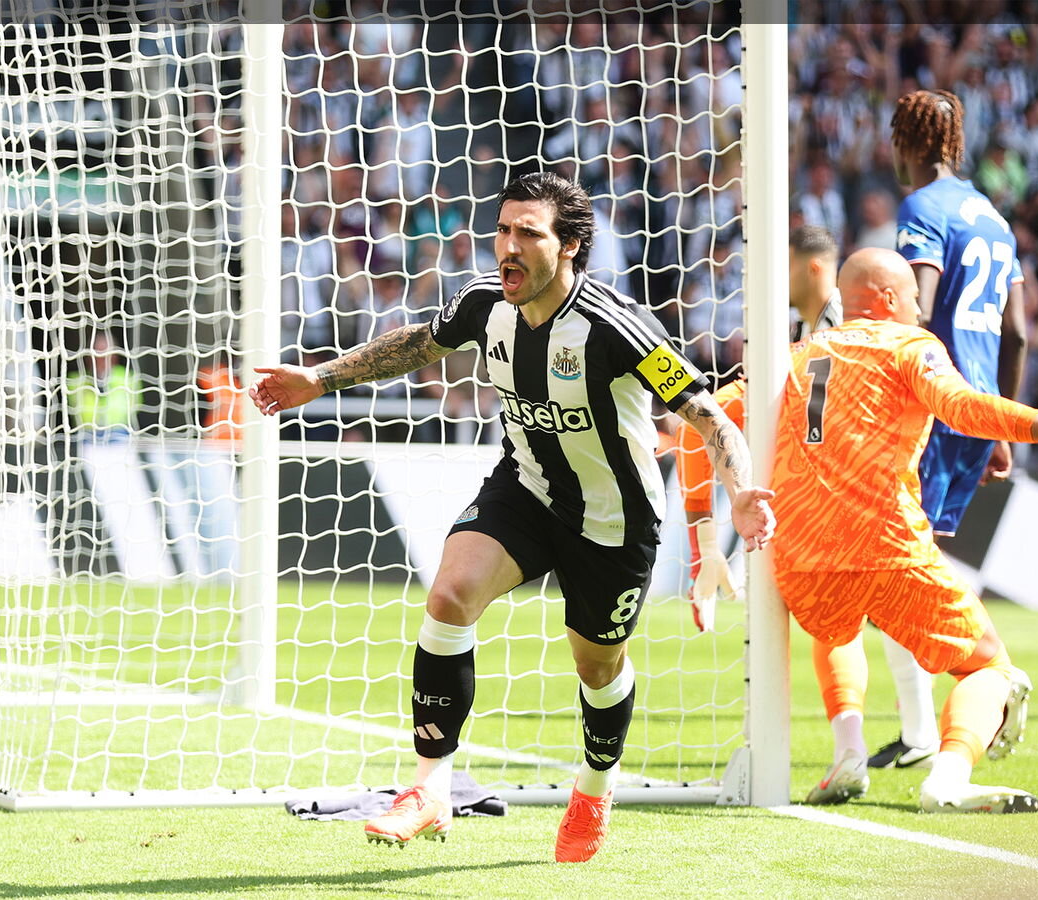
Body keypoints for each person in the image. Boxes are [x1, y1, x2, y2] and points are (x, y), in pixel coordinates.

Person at [249, 172, 775, 861]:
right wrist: (321, 379)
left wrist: (742, 490)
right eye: (503, 230)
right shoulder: (484, 304)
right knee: (449, 594)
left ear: (569, 246)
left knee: (597, 666)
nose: (508, 247)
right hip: (524, 488)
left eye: (528, 233)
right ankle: (429, 788)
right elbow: (418, 345)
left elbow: (709, 419)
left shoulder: (615, 327)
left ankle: (595, 787)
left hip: (613, 519)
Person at [679, 249, 1038, 812]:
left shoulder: (792, 357)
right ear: (888, 298)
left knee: (837, 633)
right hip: (888, 547)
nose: (921, 310)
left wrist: (703, 540)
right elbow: (964, 408)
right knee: (990, 666)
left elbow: (702, 424)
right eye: (916, 298)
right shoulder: (910, 344)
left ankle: (849, 751)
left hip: (801, 562)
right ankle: (947, 778)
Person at [845, 88, 1030, 772]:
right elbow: (1017, 331)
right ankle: (925, 726)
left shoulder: (923, 208)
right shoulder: (995, 220)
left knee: (895, 569)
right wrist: (1001, 423)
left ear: (908, 141)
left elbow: (913, 310)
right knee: (908, 564)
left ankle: (989, 679)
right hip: (974, 408)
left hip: (929, 405)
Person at [686, 226, 841, 633]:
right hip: (799, 494)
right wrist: (705, 548)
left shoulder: (844, 328)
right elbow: (700, 424)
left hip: (838, 499)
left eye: (784, 265)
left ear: (812, 267)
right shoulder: (790, 331)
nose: (775, 277)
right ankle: (705, 557)